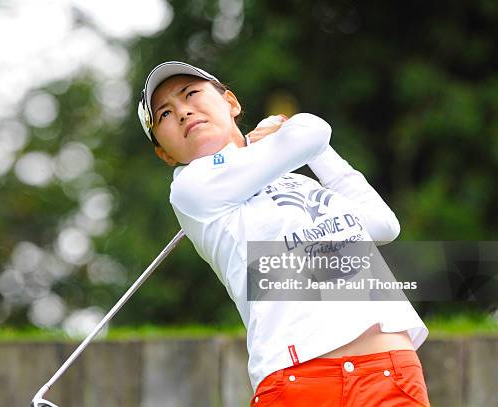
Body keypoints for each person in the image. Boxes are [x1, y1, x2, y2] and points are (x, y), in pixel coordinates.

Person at [137, 61, 431, 406]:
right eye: (165, 115)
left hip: (390, 371)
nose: (184, 112)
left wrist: (319, 153)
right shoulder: (191, 188)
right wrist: (288, 136)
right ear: (164, 153)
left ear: (231, 103)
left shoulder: (297, 179)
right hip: (298, 380)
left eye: (191, 94)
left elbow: (383, 224)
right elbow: (313, 129)